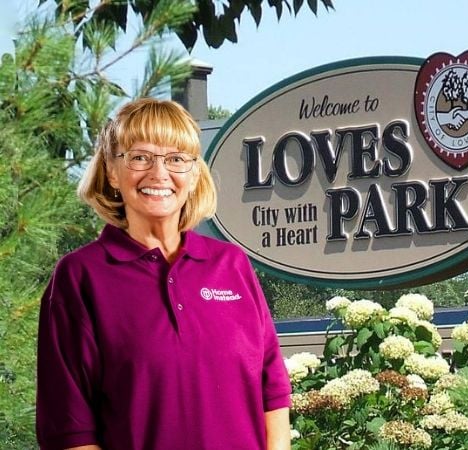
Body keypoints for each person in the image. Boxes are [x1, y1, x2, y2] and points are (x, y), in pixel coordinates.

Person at [36, 98, 292, 450]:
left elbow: (273, 392)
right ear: (112, 170)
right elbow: (69, 428)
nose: (159, 174)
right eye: (140, 157)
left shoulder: (231, 265)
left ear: (193, 173)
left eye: (175, 159)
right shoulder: (80, 277)